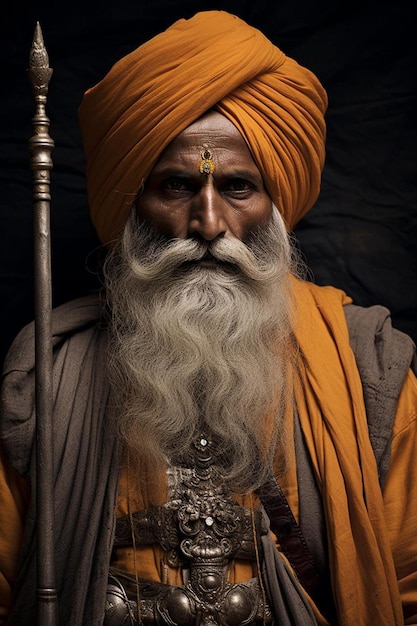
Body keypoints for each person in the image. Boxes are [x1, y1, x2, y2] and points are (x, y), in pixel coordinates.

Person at [1, 9, 416, 626]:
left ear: (276, 204)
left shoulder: (369, 369)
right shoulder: (50, 370)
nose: (210, 224)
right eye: (175, 187)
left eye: (240, 188)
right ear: (133, 205)